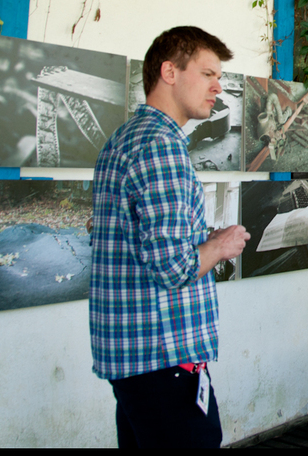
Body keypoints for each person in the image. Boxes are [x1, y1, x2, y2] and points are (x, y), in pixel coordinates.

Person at [90, 26, 251, 448]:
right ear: (170, 72)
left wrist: (202, 239)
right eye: (208, 73)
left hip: (132, 357)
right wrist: (221, 245)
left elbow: (142, 245)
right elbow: (172, 267)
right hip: (164, 356)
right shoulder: (162, 147)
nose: (219, 86)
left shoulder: (123, 140)